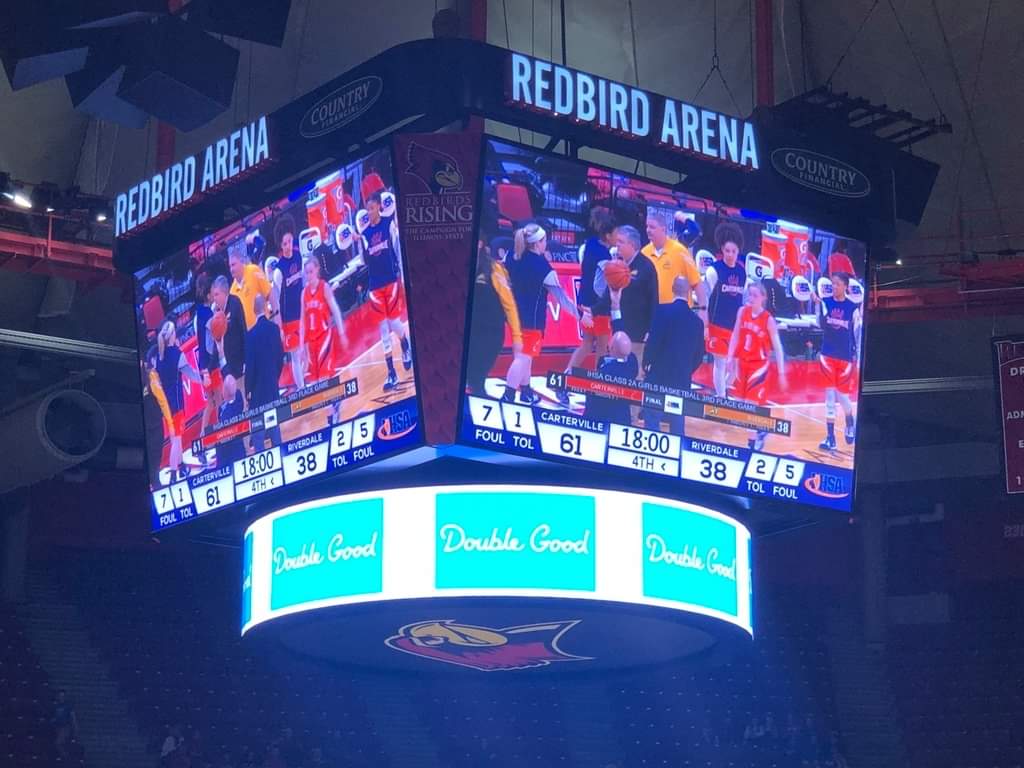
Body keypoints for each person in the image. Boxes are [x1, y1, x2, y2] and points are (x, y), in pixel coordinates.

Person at [503, 222, 579, 404]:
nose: (546, 243)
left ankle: (526, 391)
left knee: (524, 355)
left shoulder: (511, 256)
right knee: (523, 358)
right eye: (545, 240)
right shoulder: (543, 267)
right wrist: (581, 316)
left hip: (513, 316)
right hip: (532, 319)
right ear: (538, 243)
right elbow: (562, 299)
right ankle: (508, 395)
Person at [561, 206, 617, 402]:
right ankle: (598, 388)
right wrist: (603, 304)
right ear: (608, 235)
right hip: (596, 306)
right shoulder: (604, 255)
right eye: (616, 234)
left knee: (586, 343)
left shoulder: (590, 243)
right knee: (601, 346)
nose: (618, 237)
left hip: (584, 301)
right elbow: (599, 285)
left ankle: (564, 380)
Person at [725, 281, 788, 451]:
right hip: (741, 364)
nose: (751, 298)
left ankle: (752, 446)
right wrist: (730, 357)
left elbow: (778, 348)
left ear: (763, 298)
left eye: (755, 295)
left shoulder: (768, 320)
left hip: (758, 367)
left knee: (750, 407)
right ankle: (761, 430)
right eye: (749, 294)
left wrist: (782, 373)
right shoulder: (742, 312)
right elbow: (735, 335)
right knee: (739, 408)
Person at [359, 190, 410, 391]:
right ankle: (391, 373)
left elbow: (398, 249)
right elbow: (363, 261)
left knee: (394, 323)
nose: (370, 212)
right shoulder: (364, 235)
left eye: (372, 208)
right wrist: (360, 243)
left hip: (391, 281)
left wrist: (403, 276)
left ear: (379, 206)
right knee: (383, 329)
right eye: (367, 209)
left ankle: (405, 344)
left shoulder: (389, 224)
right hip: (375, 286)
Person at [641, 276, 705, 434]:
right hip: (681, 379)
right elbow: (699, 355)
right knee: (677, 424)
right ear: (689, 293)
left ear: (672, 289)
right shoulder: (697, 322)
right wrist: (687, 369)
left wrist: (646, 362)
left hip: (658, 375)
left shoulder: (662, 311)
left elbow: (653, 342)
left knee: (652, 419)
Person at [466, 246, 522, 396]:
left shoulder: (494, 269)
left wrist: (516, 336)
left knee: (477, 379)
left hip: (490, 333)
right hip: (470, 332)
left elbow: (509, 304)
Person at [814, 271, 860, 451]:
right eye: (832, 283)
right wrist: (817, 306)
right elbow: (820, 324)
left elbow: (857, 334)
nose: (834, 287)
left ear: (845, 287)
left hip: (845, 357)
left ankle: (850, 422)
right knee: (829, 397)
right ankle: (830, 437)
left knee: (843, 397)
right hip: (827, 354)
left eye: (838, 284)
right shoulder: (826, 302)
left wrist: (858, 357)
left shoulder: (853, 307)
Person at [704, 222, 748, 397]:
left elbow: (744, 299)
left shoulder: (742, 272)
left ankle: (722, 391)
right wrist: (705, 323)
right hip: (717, 324)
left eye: (734, 251)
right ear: (722, 249)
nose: (730, 254)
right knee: (720, 363)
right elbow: (704, 297)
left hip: (736, 327)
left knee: (736, 367)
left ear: (738, 251)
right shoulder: (714, 270)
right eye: (727, 251)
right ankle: (721, 398)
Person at [156, 320, 202, 481]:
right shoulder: (177, 355)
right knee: (176, 440)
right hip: (176, 404)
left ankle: (181, 467)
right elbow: (191, 374)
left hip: (165, 405)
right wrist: (203, 378)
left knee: (176, 437)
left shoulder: (159, 356)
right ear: (172, 335)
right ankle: (173, 475)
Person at [642, 210, 708, 319]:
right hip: (653, 314)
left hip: (679, 316)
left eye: (652, 227)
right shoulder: (644, 252)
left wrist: (703, 310)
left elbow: (696, 282)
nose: (648, 230)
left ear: (663, 229)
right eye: (647, 226)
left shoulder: (680, 251)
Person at [245, 294, 284, 448]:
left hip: (257, 391)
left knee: (258, 434)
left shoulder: (250, 336)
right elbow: (280, 358)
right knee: (275, 428)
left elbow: (250, 367)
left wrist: (248, 389)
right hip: (272, 385)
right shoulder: (274, 329)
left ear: (254, 310)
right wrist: (275, 377)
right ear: (266, 308)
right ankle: (280, 455)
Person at [299, 257, 346, 385]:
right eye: (307, 273)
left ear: (317, 270)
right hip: (310, 341)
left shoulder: (324, 287)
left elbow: (335, 310)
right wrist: (301, 346)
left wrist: (341, 333)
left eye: (311, 272)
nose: (309, 275)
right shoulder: (304, 293)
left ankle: (334, 395)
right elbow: (302, 321)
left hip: (324, 337)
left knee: (324, 378)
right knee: (314, 382)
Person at [274, 215, 306, 390]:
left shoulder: (299, 257)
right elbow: (275, 299)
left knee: (306, 351)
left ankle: (305, 381)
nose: (287, 246)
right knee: (295, 355)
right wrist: (279, 324)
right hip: (289, 319)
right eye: (284, 244)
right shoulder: (279, 270)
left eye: (289, 242)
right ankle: (302, 389)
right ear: (281, 245)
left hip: (302, 312)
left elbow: (304, 282)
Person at [208, 276, 248, 408]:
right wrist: (209, 368)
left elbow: (243, 331)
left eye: (216, 294)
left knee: (243, 400)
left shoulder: (235, 303)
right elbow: (217, 340)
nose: (214, 298)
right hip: (227, 366)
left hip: (239, 363)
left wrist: (246, 360)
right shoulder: (217, 313)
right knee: (234, 404)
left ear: (225, 293)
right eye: (213, 295)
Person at [193, 273, 222, 449]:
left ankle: (202, 441)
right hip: (210, 363)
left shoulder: (199, 312)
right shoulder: (207, 314)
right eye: (212, 290)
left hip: (203, 364)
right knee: (219, 400)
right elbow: (212, 340)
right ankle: (223, 435)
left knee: (210, 403)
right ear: (208, 294)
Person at [228, 248, 274, 330]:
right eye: (230, 266)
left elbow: (270, 293)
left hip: (264, 327)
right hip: (249, 334)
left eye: (233, 265)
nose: (231, 269)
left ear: (241, 262)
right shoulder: (232, 291)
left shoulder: (254, 271)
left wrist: (277, 318)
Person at [216, 375, 246, 466]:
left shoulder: (225, 412)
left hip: (229, 452)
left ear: (224, 392)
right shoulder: (239, 398)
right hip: (240, 449)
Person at [52, 689, 78, 759]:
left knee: (58, 743)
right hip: (57, 727)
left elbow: (73, 717)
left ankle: (66, 757)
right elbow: (54, 717)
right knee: (60, 743)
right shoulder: (55, 705)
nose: (61, 697)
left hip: (65, 727)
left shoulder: (68, 706)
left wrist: (75, 728)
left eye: (63, 696)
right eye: (60, 696)